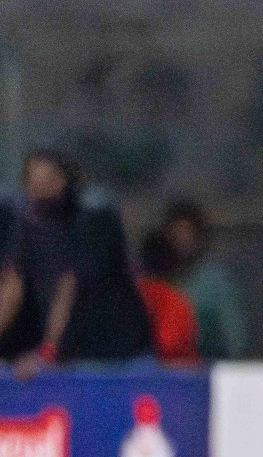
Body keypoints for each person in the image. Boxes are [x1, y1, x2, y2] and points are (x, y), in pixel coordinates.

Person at [0, 151, 154, 377]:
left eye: (48, 178)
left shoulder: (92, 220)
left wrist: (47, 351)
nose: (39, 186)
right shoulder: (26, 226)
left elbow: (70, 288)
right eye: (33, 178)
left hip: (114, 354)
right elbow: (13, 288)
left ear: (64, 180)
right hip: (70, 353)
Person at [161, 201, 248, 360]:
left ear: (199, 238)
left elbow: (235, 341)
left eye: (187, 235)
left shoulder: (216, 283)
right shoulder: (156, 281)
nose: (180, 243)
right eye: (175, 236)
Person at [137, 229, 200, 365]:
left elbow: (169, 345)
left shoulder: (175, 301)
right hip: (159, 377)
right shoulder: (176, 301)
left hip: (174, 378)